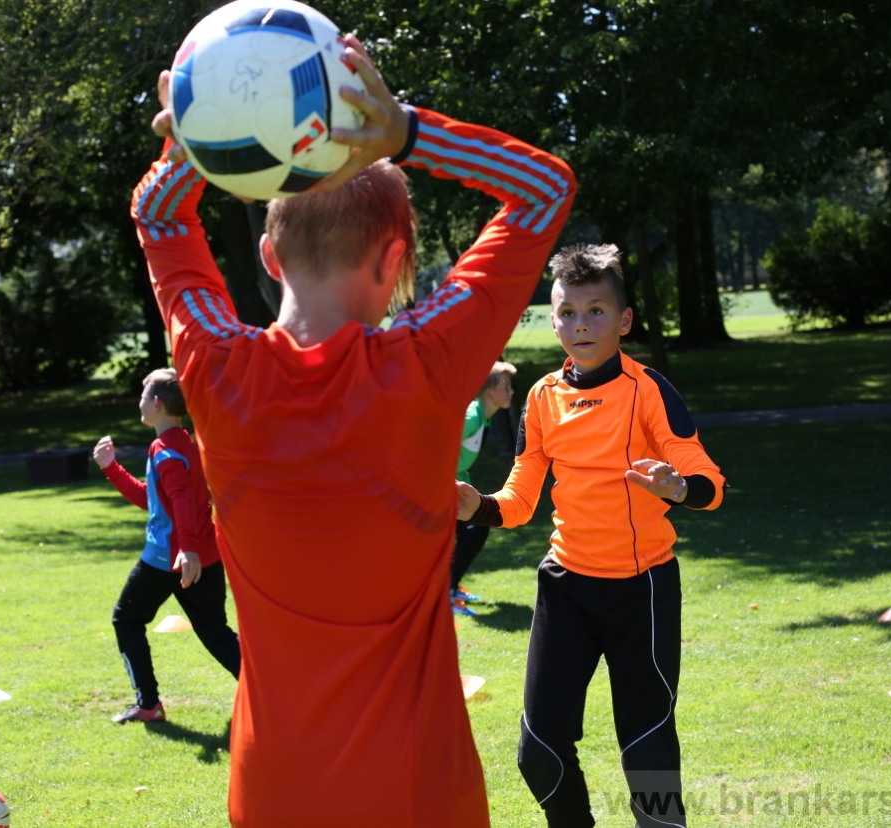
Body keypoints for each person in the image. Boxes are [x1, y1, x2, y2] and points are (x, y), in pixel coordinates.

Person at [132, 34, 575, 828]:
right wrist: (404, 130)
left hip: (272, 793)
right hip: (416, 793)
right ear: (396, 255)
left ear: (269, 255)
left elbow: (155, 216)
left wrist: (200, 137)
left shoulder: (213, 365)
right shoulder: (427, 360)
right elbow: (545, 188)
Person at [456, 243, 726, 828]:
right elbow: (519, 502)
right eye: (568, 312)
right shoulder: (542, 397)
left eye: (596, 310)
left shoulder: (649, 389)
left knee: (648, 753)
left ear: (624, 320)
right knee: (539, 752)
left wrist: (679, 488)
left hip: (643, 590)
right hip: (566, 589)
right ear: (552, 321)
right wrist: (473, 505)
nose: (581, 324)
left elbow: (709, 480)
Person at [92, 368, 241, 725]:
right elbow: (155, 499)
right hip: (202, 557)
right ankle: (272, 692)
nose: (139, 402)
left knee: (125, 619)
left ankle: (149, 704)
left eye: (143, 395)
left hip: (168, 558)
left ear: (156, 404)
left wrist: (185, 548)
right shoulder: (183, 443)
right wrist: (111, 469)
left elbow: (180, 501)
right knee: (216, 633)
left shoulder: (166, 451)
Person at [451, 360, 517, 616]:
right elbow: (437, 444)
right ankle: (446, 594)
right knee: (471, 533)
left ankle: (451, 588)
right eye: (507, 387)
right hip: (437, 490)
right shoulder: (472, 415)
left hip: (451, 487)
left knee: (473, 533)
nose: (511, 392)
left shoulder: (482, 417)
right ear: (490, 393)